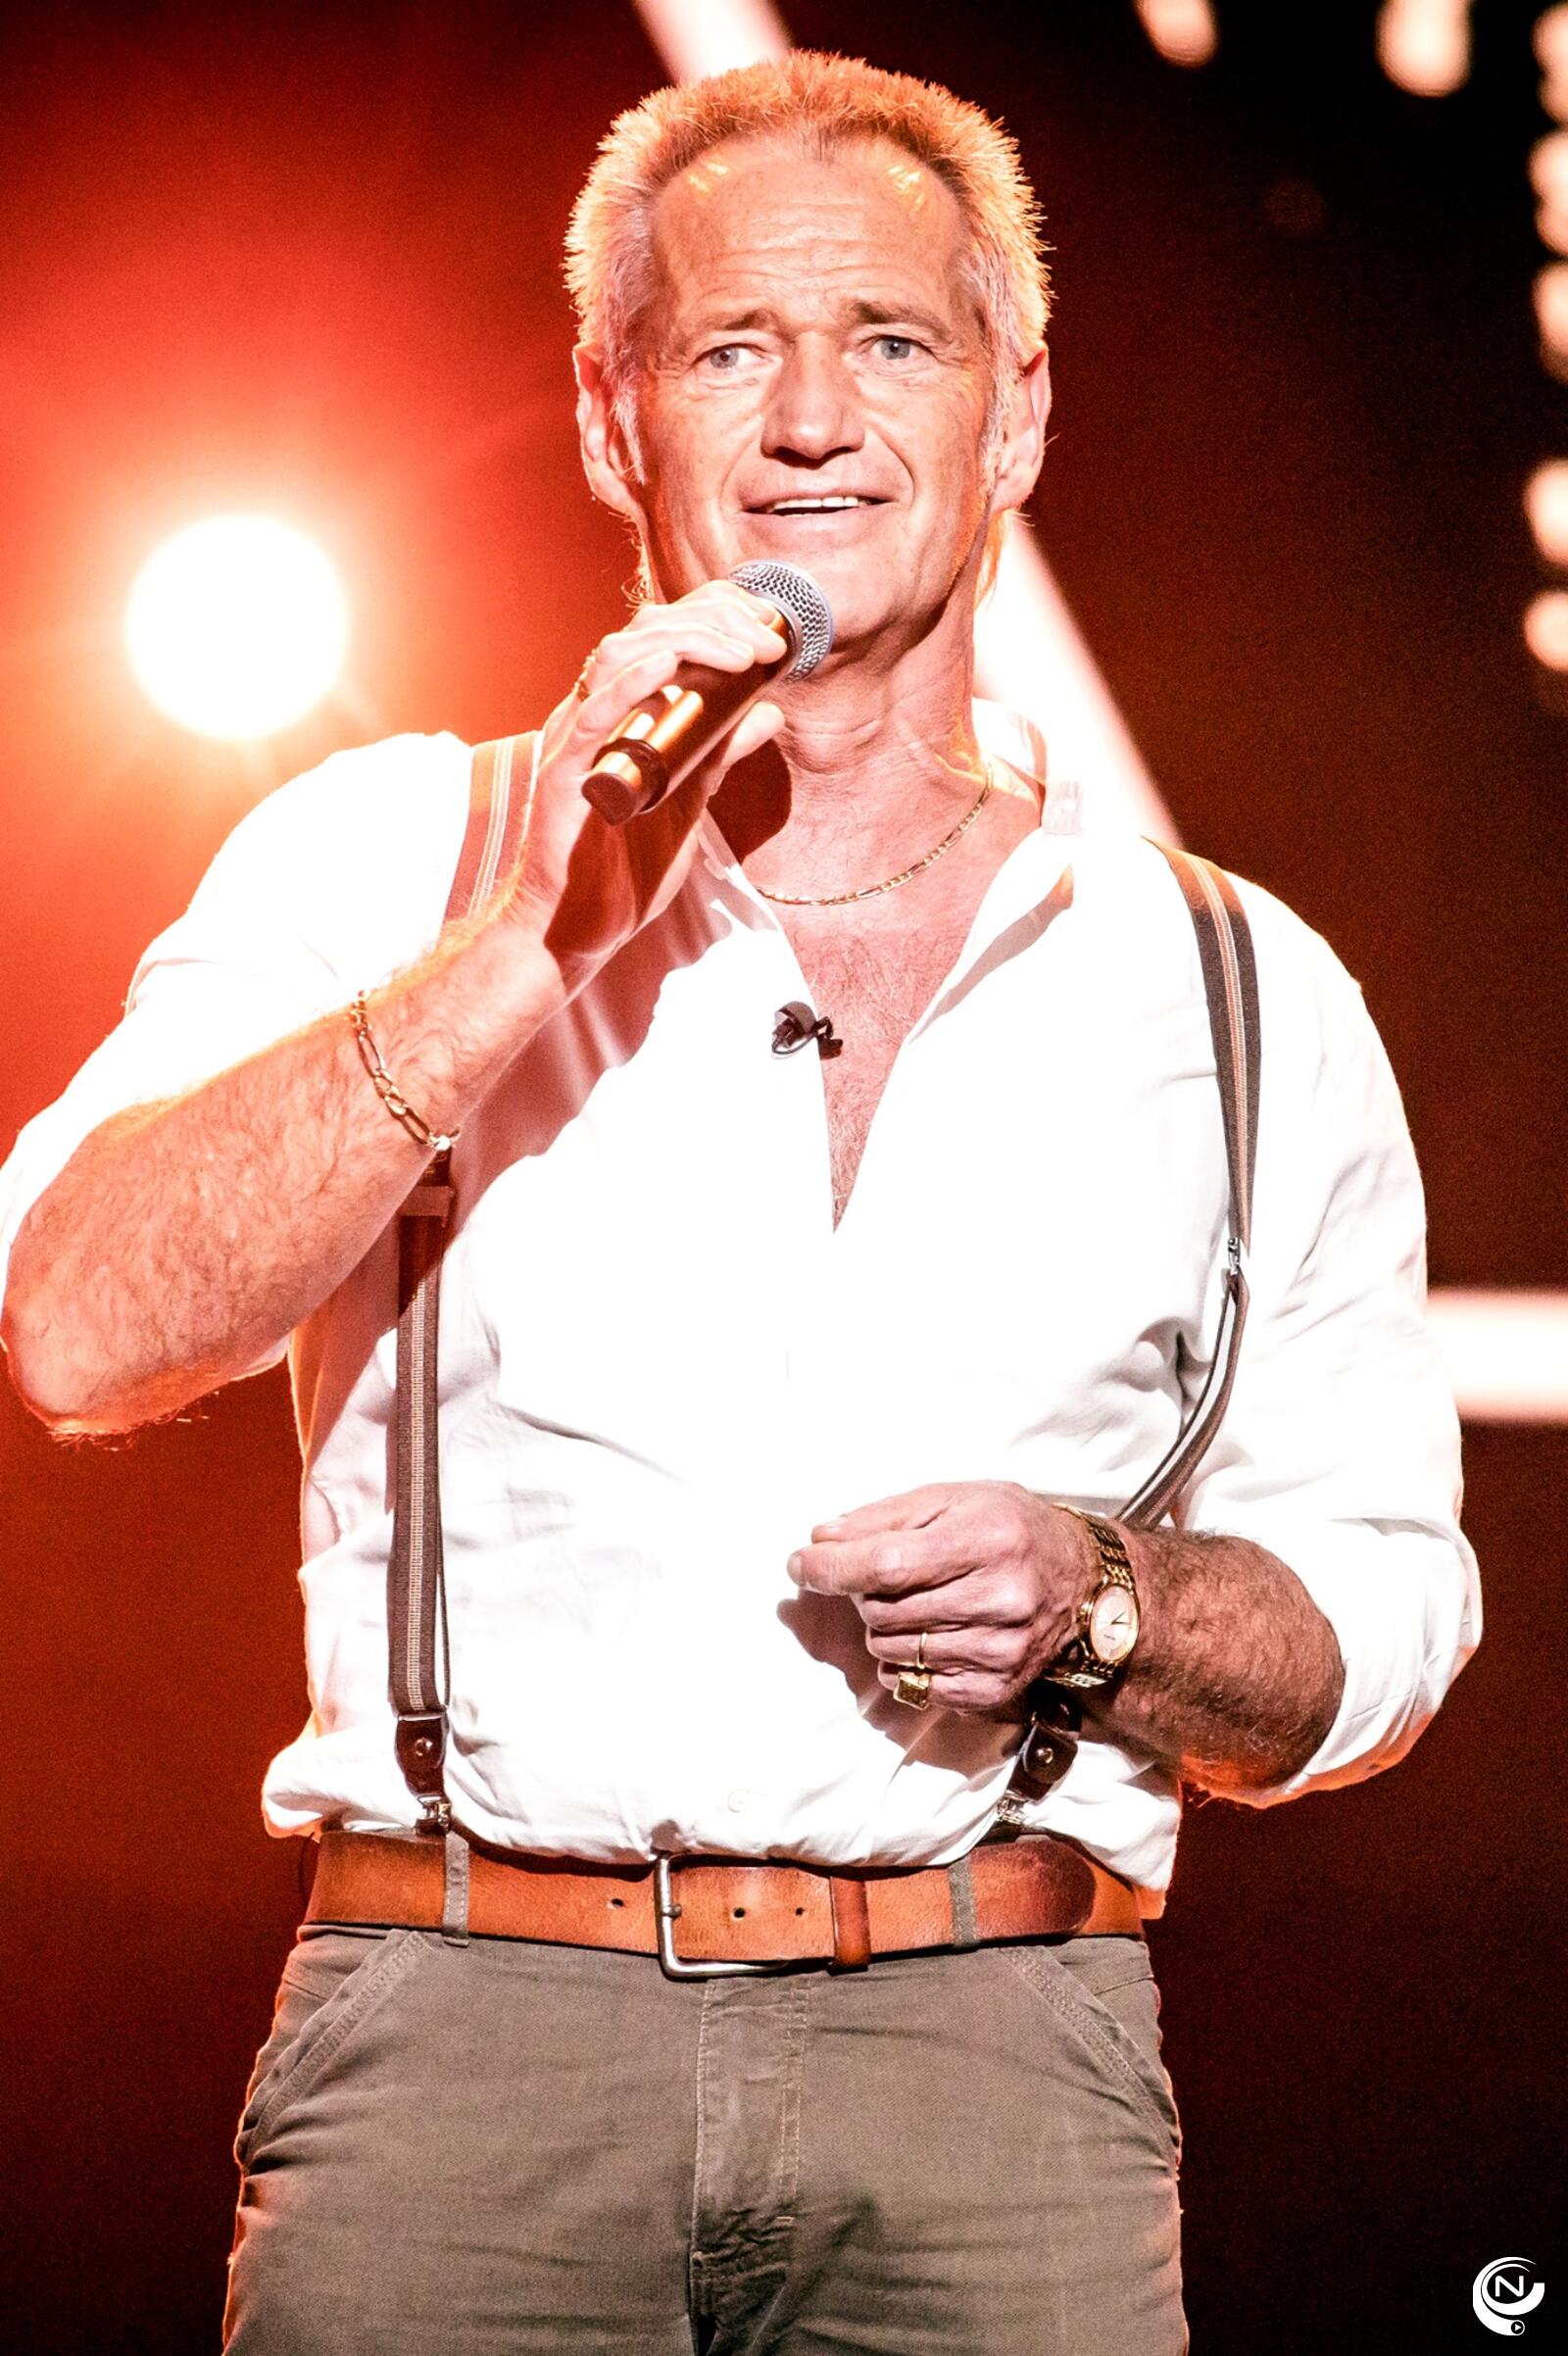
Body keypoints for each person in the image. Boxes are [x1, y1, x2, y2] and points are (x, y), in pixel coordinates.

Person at [0, 50, 1478, 2356]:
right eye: (725, 350)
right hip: (467, 2053)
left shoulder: (1235, 985)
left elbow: (1373, 1620)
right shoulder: (389, 853)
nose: (808, 421)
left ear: (1013, 411)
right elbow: (76, 1324)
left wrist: (1100, 1594)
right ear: (612, 418)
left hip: (1001, 2067)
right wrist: (515, 954)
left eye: (887, 340)